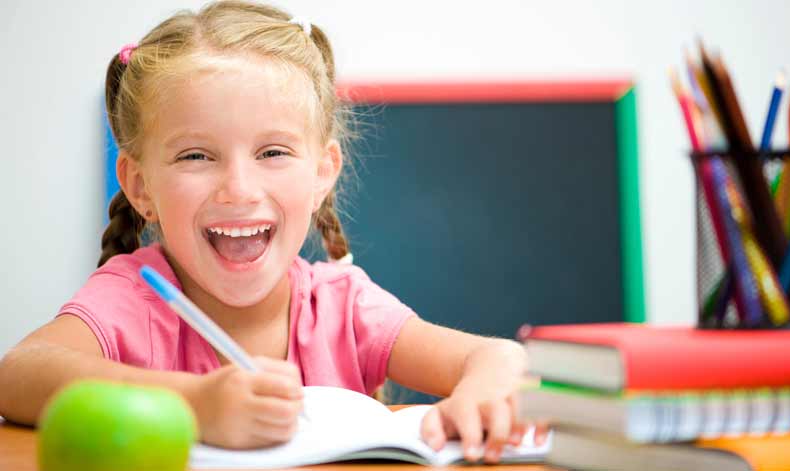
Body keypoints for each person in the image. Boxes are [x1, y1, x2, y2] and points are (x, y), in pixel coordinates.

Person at [0, 1, 538, 462]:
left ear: (323, 171)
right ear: (141, 186)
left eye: (272, 152)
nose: (239, 188)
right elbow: (18, 374)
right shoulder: (136, 295)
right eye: (196, 155)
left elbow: (495, 358)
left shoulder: (342, 305)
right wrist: (199, 405)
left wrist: (489, 386)